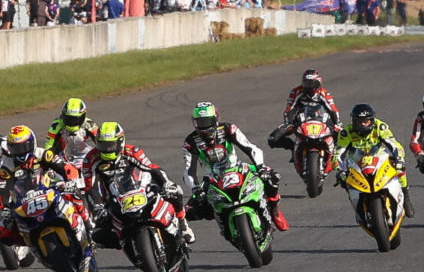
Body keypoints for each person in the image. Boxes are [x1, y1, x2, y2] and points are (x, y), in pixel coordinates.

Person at [181, 102, 290, 230]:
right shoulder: (190, 141)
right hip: (211, 178)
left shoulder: (228, 129)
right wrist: (195, 189)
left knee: (272, 177)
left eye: (207, 121)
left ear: (216, 119)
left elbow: (251, 148)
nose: (204, 126)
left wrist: (260, 166)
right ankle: (220, 222)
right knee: (190, 211)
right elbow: (189, 171)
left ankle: (274, 209)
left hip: (238, 167)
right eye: (200, 122)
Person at [90, 121, 194, 243]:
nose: (106, 149)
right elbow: (90, 187)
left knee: (176, 191)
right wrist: (98, 206)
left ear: (120, 142)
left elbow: (153, 169)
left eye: (110, 145)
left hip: (140, 189)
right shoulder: (91, 159)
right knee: (97, 235)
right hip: (114, 199)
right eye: (102, 145)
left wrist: (166, 183)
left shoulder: (132, 151)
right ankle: (125, 242)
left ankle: (183, 225)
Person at [334, 103, 415, 217]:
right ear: (353, 121)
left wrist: (399, 159)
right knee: (344, 180)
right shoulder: (346, 132)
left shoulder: (380, 126)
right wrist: (339, 170)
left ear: (371, 120)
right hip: (356, 161)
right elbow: (338, 154)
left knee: (400, 169)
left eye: (365, 121)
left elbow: (394, 144)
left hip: (379, 156)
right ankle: (358, 206)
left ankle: (405, 196)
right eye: (358, 121)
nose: (362, 125)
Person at [269, 68, 342, 155]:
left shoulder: (324, 93)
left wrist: (337, 123)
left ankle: (334, 153)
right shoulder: (296, 92)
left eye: (312, 83)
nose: (309, 86)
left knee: (343, 135)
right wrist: (288, 122)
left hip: (321, 121)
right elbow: (289, 108)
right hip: (300, 122)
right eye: (306, 83)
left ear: (318, 82)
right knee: (273, 139)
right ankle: (293, 148)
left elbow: (333, 109)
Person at [45, 97, 98, 170]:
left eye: (75, 119)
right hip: (63, 156)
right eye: (69, 118)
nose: (72, 122)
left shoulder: (89, 124)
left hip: (84, 154)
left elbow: (99, 140)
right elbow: (48, 146)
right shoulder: (56, 125)